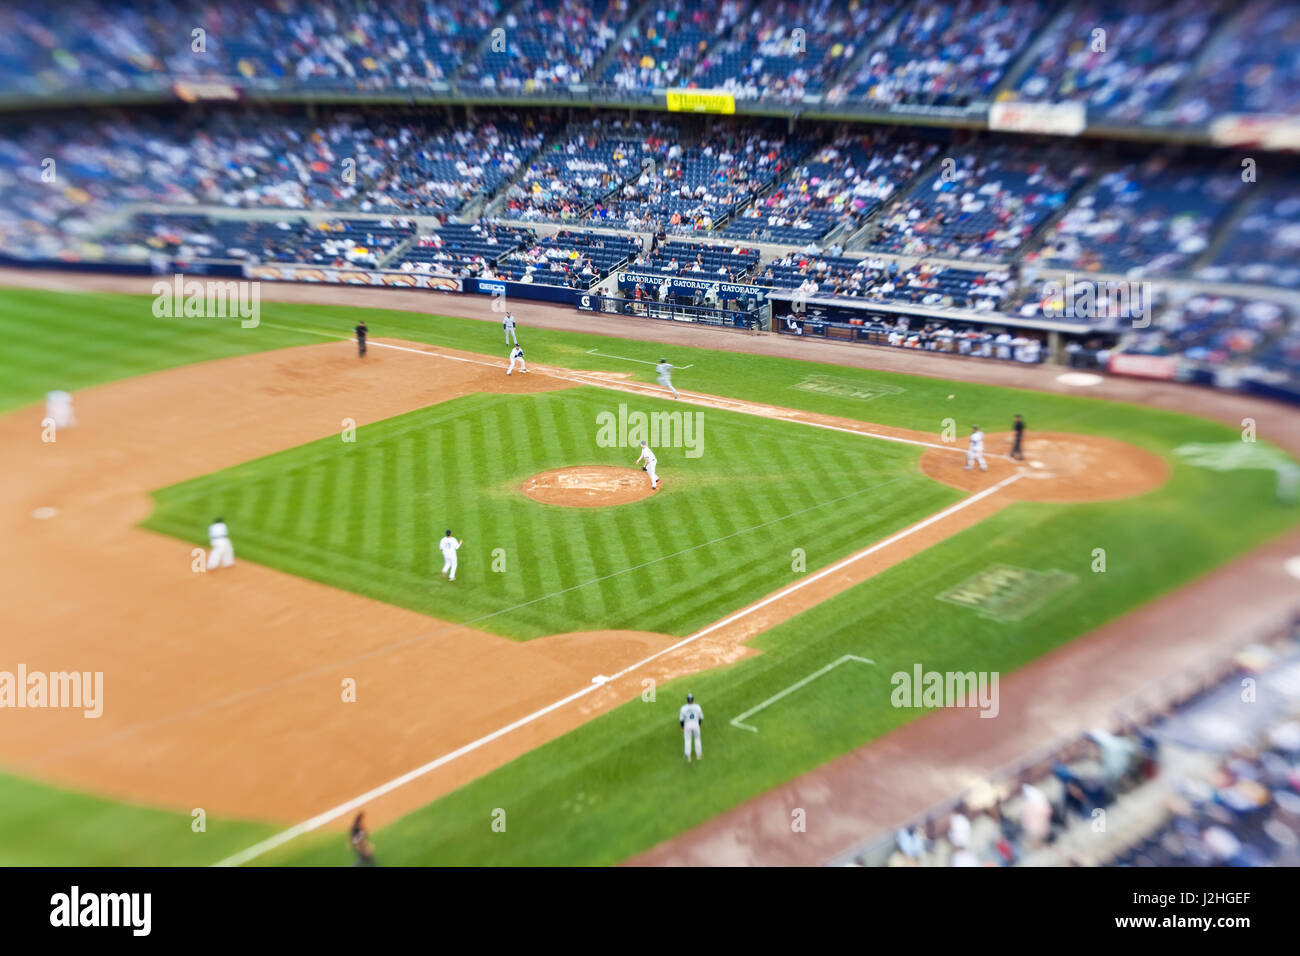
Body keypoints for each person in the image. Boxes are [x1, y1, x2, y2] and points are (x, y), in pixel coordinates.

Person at [680, 692, 703, 762]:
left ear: (687, 700)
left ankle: (688, 755)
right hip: (696, 724)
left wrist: (682, 727)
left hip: (687, 725)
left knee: (687, 740)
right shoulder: (697, 707)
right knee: (697, 739)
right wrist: (699, 724)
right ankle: (699, 754)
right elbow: (700, 717)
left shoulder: (683, 708)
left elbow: (681, 720)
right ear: (693, 700)